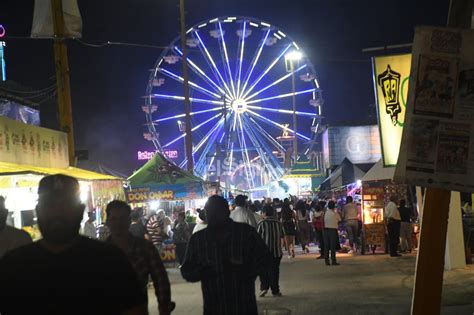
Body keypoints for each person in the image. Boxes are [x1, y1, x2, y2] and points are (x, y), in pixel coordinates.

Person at [0, 174, 145, 314]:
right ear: (38, 211)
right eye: (50, 205)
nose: (57, 212)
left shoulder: (110, 260)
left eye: (65, 204)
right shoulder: (14, 264)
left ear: (80, 211)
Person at [181, 195, 270, 315]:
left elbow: (265, 259)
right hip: (217, 306)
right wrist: (206, 271)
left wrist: (246, 271)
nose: (214, 216)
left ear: (227, 212)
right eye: (212, 212)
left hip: (241, 304)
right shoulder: (198, 239)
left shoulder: (246, 233)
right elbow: (187, 270)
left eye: (217, 212)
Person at [106, 200, 174, 315]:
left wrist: (164, 307)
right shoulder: (100, 251)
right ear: (107, 222)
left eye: (122, 218)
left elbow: (160, 279)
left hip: (137, 309)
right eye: (114, 219)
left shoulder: (145, 248)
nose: (118, 223)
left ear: (129, 220)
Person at [257, 204, 283, 297]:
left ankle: (264, 287)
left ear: (264, 213)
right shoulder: (278, 223)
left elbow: (257, 238)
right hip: (276, 252)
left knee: (263, 270)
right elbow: (282, 236)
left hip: (263, 253)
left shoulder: (261, 223)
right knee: (275, 271)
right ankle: (275, 290)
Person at [323, 200, 341, 266]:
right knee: (332, 246)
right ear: (334, 206)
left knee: (326, 246)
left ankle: (326, 261)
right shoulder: (335, 213)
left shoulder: (325, 213)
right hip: (333, 230)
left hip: (325, 230)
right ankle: (333, 260)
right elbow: (340, 220)